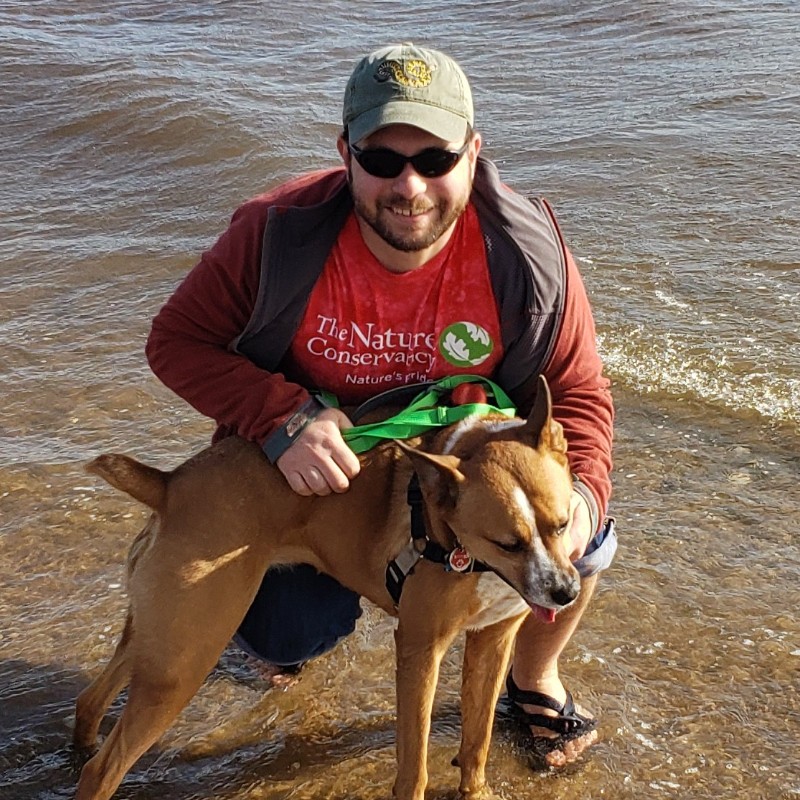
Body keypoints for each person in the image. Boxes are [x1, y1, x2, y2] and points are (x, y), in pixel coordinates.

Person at [146, 42, 616, 767]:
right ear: (346, 153)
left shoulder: (527, 254)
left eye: (434, 160)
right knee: (286, 631)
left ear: (472, 153)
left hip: (461, 488)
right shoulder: (277, 233)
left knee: (580, 543)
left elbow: (579, 392)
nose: (410, 185)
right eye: (381, 159)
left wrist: (580, 499)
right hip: (322, 488)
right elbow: (177, 342)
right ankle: (273, 633)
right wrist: (280, 418)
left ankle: (534, 677)